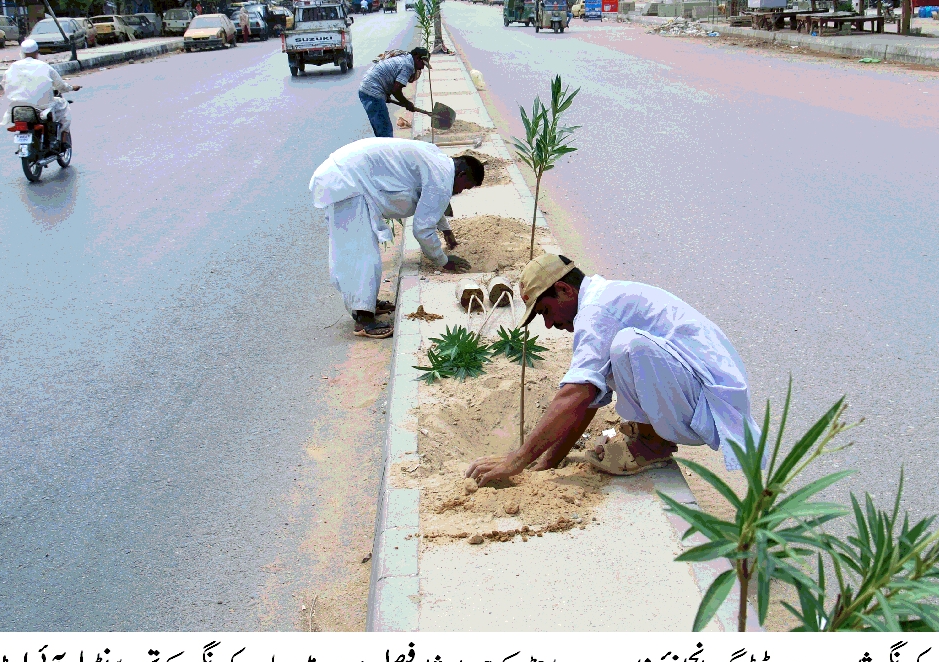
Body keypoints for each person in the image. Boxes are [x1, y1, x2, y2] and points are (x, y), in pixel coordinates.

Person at [466, 254, 760, 485]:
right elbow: (588, 400)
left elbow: (577, 394)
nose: (549, 324)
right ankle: (648, 437)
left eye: (545, 311)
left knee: (628, 345)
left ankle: (652, 444)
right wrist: (546, 463)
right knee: (611, 359)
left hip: (710, 406)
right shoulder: (601, 300)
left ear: (564, 290)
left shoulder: (596, 311)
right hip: (698, 395)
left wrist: (516, 461)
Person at [309, 138, 482, 338]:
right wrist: (444, 261)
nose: (460, 192)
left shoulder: (439, 162)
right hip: (350, 183)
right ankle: (364, 320)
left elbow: (428, 201)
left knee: (357, 251)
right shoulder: (442, 178)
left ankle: (366, 305)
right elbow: (422, 229)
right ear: (461, 175)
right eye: (465, 187)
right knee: (361, 254)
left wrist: (446, 230)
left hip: (348, 176)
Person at [1, 39, 82, 141]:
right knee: (64, 106)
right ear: (36, 52)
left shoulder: (12, 67)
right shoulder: (44, 66)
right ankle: (64, 139)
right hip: (41, 108)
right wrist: (72, 87)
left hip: (16, 108)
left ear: (22, 53)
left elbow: (4, 84)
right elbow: (61, 86)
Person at [358, 48, 430, 138]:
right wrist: (407, 103)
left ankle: (383, 145)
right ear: (417, 58)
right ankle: (386, 146)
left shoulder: (405, 58)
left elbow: (389, 78)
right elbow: (396, 90)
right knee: (385, 131)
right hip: (372, 91)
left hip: (368, 88)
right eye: (423, 64)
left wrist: (386, 95)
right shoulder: (408, 66)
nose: (422, 67)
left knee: (380, 127)